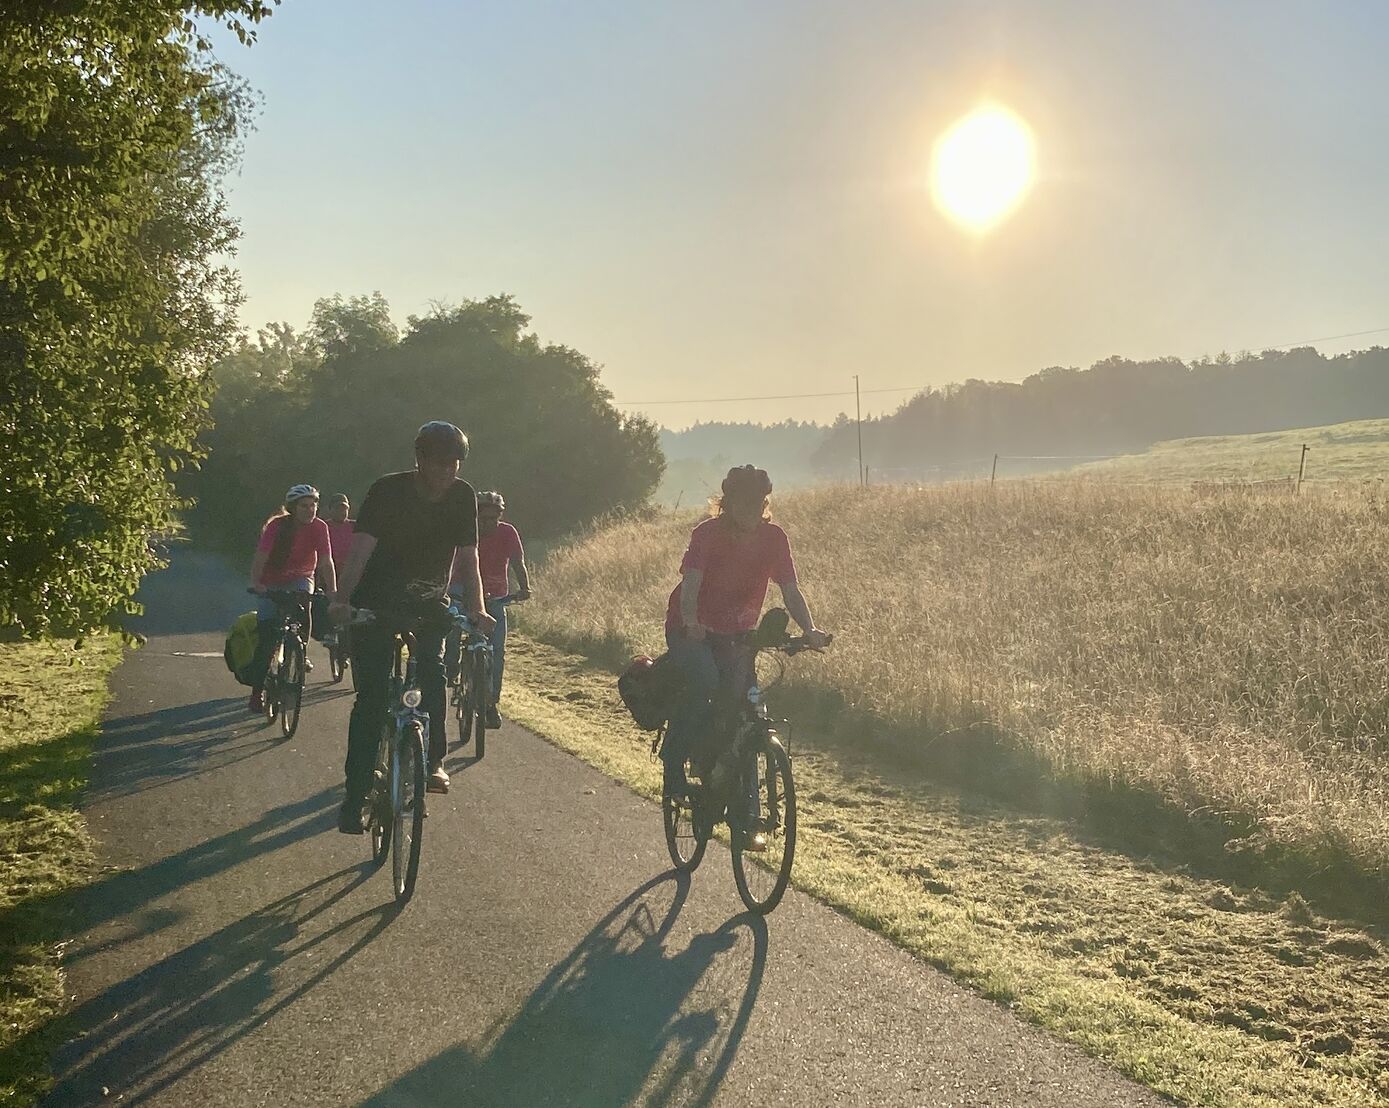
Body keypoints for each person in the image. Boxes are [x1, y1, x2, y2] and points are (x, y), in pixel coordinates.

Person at [328, 421, 495, 834]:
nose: (448, 470)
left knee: (434, 676)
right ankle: (356, 794)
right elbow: (360, 550)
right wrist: (342, 600)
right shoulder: (387, 491)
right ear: (419, 459)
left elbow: (469, 559)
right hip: (376, 603)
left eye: (455, 462)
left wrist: (477, 608)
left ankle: (433, 762)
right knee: (371, 700)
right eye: (440, 462)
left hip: (427, 603)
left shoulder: (462, 496)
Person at [661, 465, 829, 804]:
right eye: (742, 503)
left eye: (757, 503)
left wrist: (809, 629)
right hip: (691, 628)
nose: (750, 511)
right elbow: (691, 582)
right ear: (727, 503)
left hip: (738, 633)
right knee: (705, 680)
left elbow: (791, 591)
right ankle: (674, 767)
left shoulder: (774, 538)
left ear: (765, 503)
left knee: (748, 703)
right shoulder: (707, 534)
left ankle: (743, 800)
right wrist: (691, 620)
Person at [246, 484, 336, 713]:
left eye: (313, 505)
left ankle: (300, 651)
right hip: (271, 580)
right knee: (267, 637)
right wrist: (257, 584)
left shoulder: (319, 527)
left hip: (301, 577)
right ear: (292, 508)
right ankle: (256, 692)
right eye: (304, 506)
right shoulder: (277, 526)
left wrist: (333, 590)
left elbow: (326, 561)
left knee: (303, 610)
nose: (310, 510)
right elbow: (261, 556)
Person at [446, 490, 531, 728]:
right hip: (463, 591)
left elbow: (517, 562)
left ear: (500, 516)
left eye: (493, 518)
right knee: (452, 628)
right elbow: (451, 563)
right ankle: (451, 667)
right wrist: (447, 589)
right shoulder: (465, 532)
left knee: (497, 651)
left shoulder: (508, 532)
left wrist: (525, 587)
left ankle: (491, 702)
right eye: (483, 518)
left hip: (496, 596)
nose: (488, 523)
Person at [314, 493, 355, 646]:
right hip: (328, 572)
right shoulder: (324, 527)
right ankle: (330, 631)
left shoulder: (354, 527)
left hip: (351, 572)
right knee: (325, 598)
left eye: (345, 509)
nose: (342, 512)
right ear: (330, 509)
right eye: (338, 509)